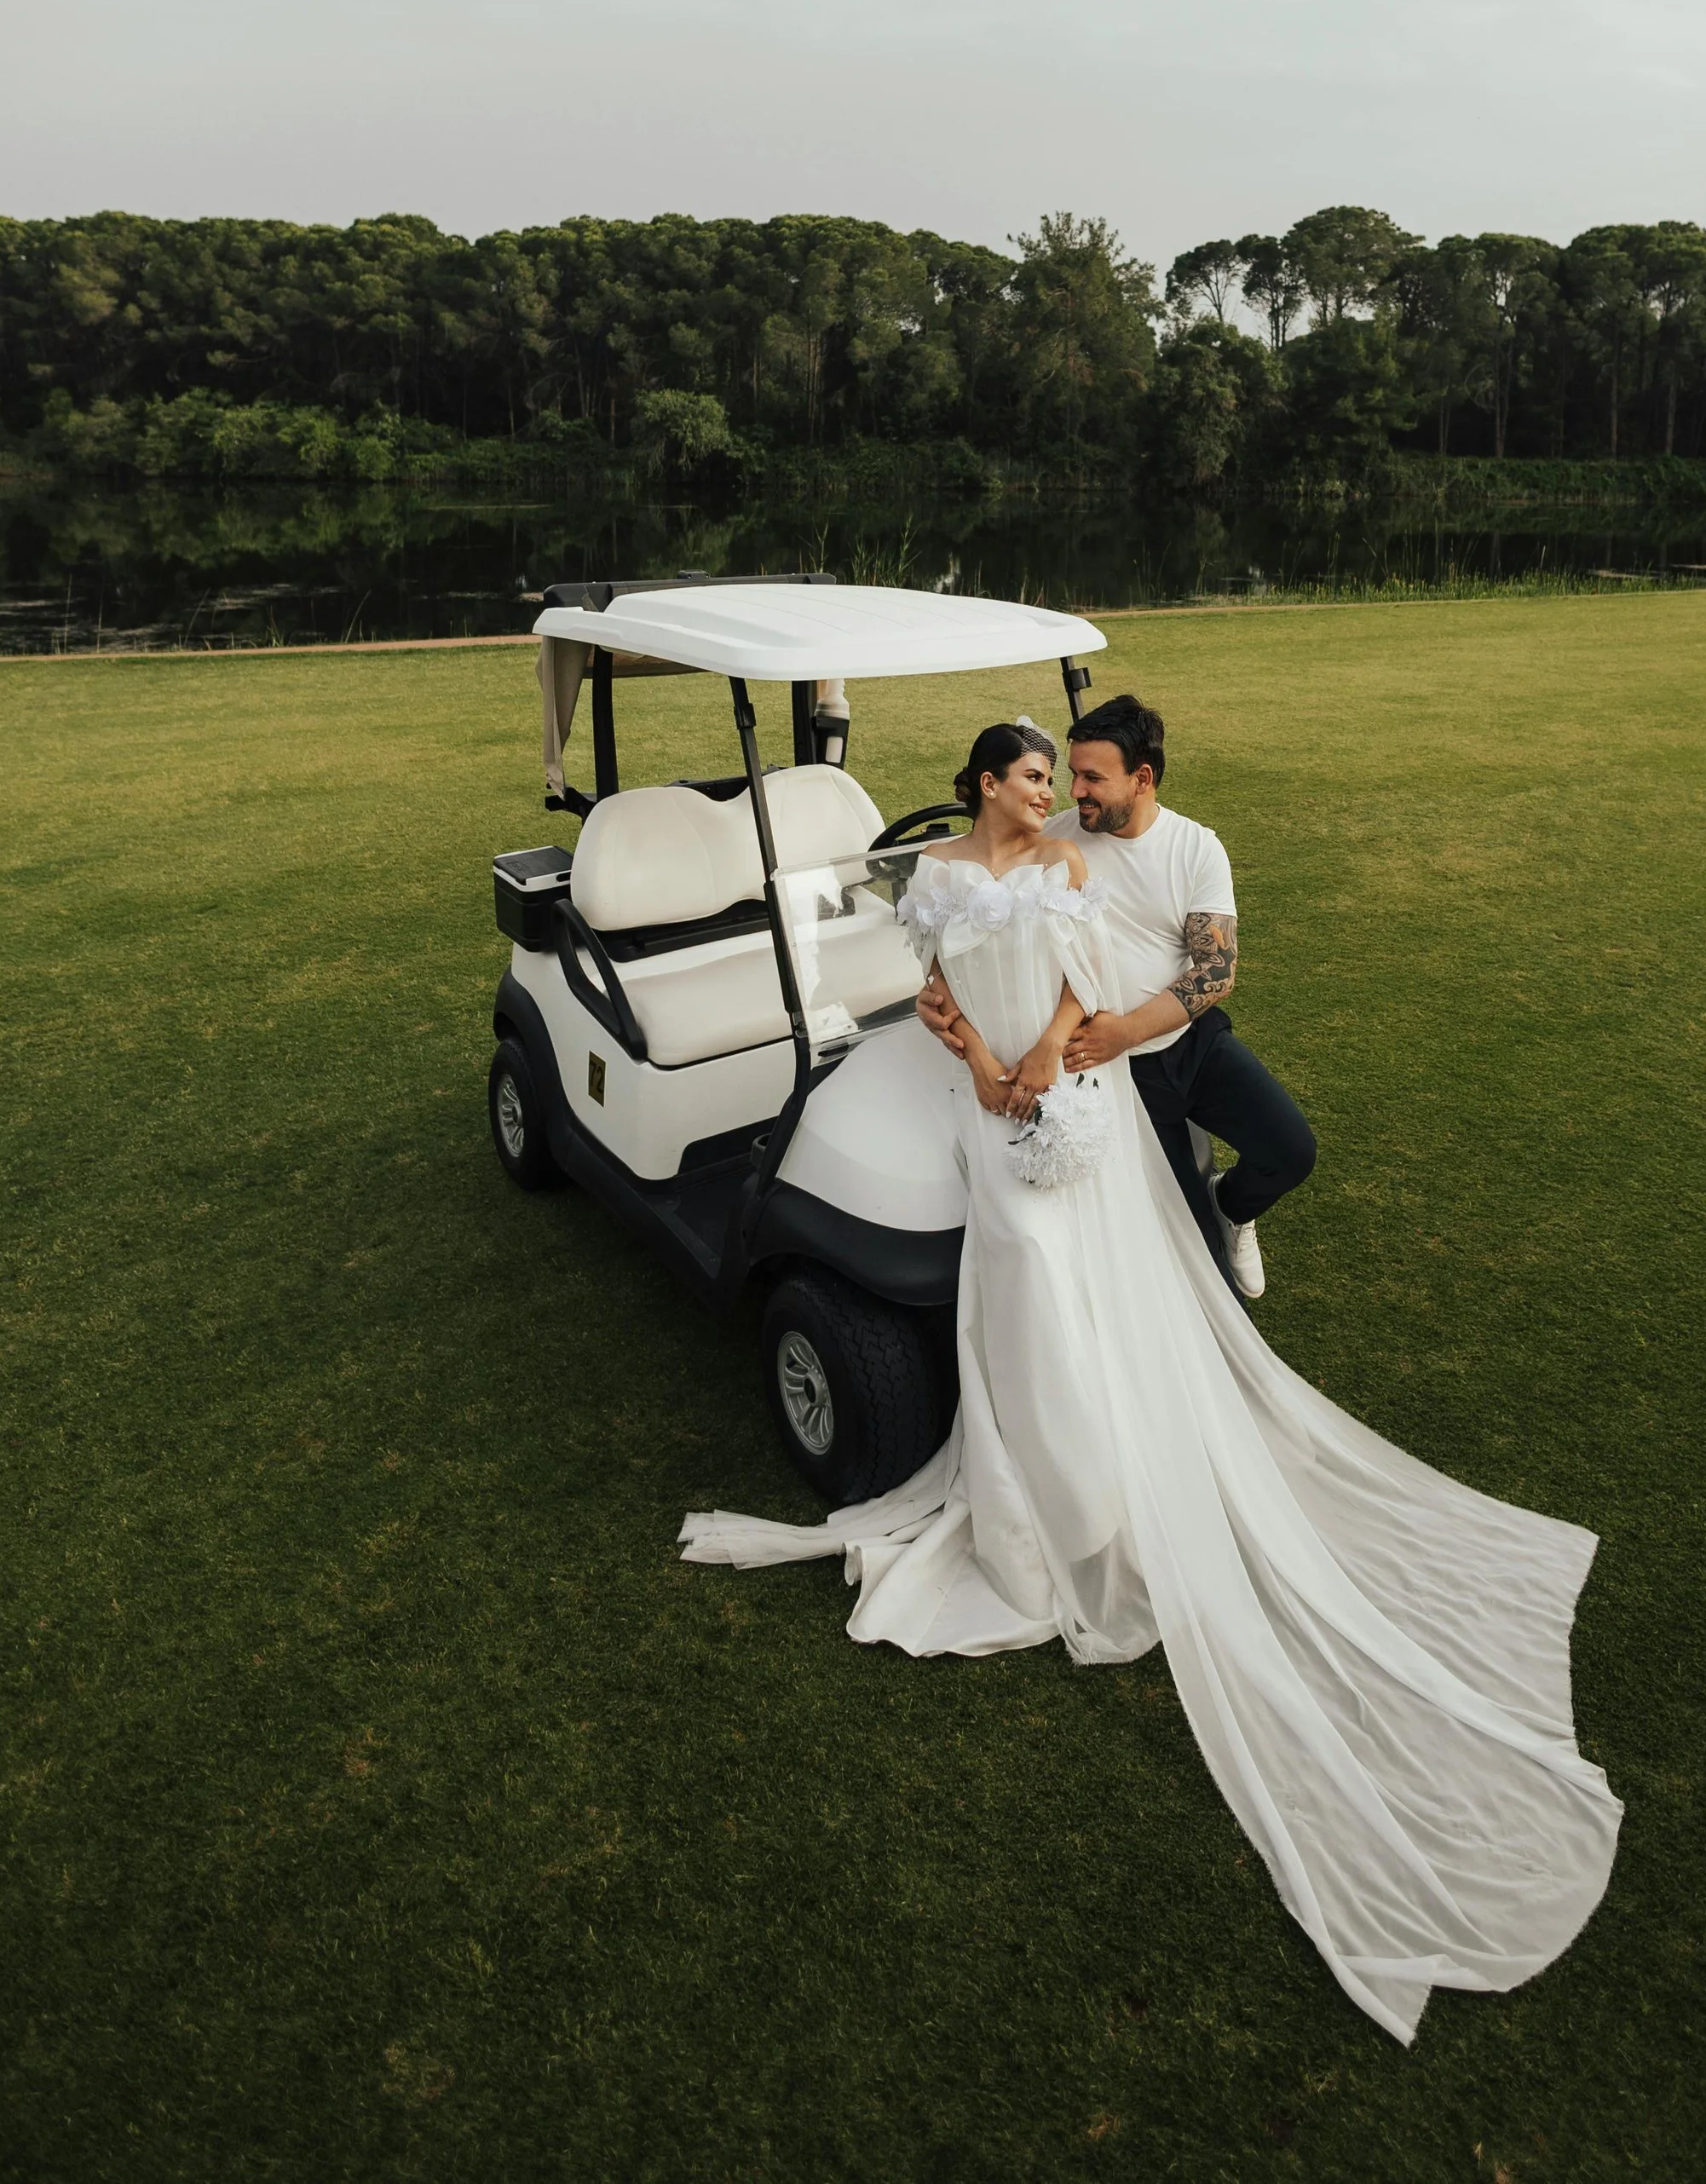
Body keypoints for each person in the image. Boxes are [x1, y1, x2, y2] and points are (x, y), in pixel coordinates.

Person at [681, 717, 1622, 2049]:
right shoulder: (958, 865)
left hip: (1078, 1080)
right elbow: (937, 980)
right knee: (1012, 1283)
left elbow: (1082, 986)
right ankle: (1028, 1490)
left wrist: (1053, 1058)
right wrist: (971, 1056)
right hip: (989, 1093)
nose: (1059, 790)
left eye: (1075, 775)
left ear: (1134, 783)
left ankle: (1115, 1475)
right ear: (989, 784)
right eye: (1038, 774)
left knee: (1096, 1270)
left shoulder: (1134, 855)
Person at [919, 691, 1315, 1301]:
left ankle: (1233, 1206)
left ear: (1143, 778)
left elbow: (1216, 969)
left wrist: (1125, 1028)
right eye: (1070, 774)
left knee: (1291, 1150)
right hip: (1111, 1069)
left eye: (1091, 778)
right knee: (1190, 1259)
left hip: (1189, 1044)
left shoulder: (1194, 847)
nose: (1073, 791)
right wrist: (937, 1000)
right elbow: (974, 906)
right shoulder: (1050, 837)